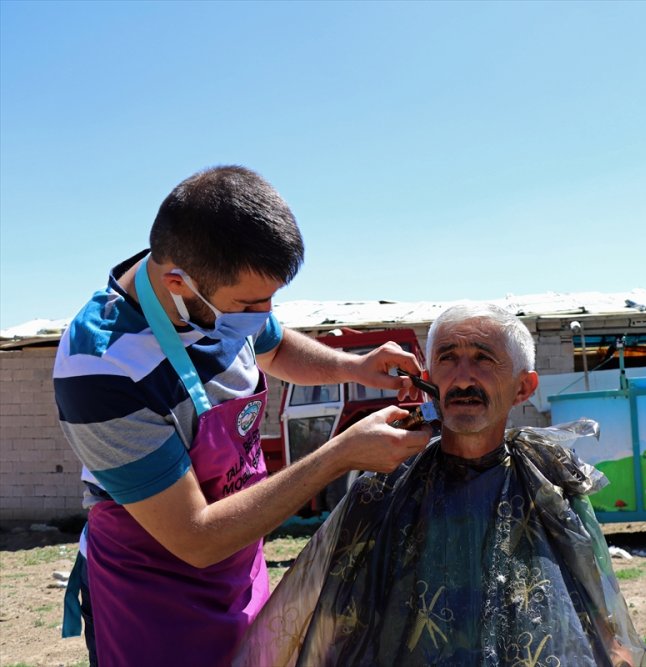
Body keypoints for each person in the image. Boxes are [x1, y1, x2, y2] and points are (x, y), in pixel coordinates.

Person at [53, 165, 432, 666]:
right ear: (178, 283)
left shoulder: (223, 302)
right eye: (251, 303)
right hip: (153, 597)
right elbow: (195, 536)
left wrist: (353, 366)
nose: (264, 314)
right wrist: (339, 455)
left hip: (238, 562)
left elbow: (274, 348)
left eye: (271, 299)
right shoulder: (102, 366)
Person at [235, 303, 646, 666]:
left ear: (523, 387)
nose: (464, 377)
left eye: (484, 359)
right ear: (428, 377)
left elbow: (600, 600)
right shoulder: (383, 489)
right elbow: (325, 611)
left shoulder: (551, 485)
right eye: (449, 359)